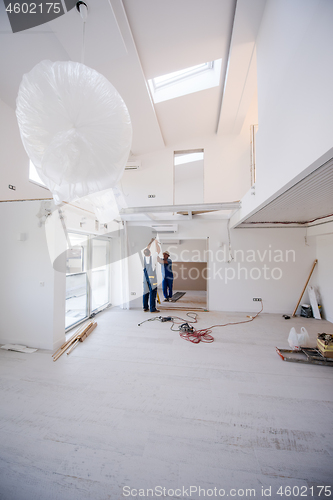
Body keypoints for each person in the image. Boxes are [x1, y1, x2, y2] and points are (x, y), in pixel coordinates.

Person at [142, 238, 160, 313]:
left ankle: (145, 307)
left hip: (145, 279)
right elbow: (158, 251)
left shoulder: (144, 258)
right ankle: (152, 309)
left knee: (145, 292)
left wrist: (151, 242)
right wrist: (156, 243)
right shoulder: (153, 258)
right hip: (152, 280)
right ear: (150, 253)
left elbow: (147, 248)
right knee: (153, 293)